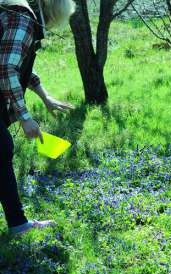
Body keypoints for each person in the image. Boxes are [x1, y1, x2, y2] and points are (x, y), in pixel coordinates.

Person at [0, 0, 75, 236]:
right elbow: (6, 68)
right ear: (54, 11)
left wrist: (45, 97)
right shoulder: (24, 17)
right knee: (1, 147)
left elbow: (20, 65)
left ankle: (17, 223)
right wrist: (25, 118)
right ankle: (18, 225)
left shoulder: (17, 13)